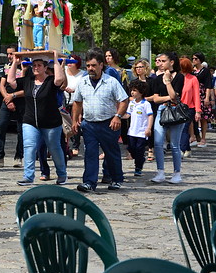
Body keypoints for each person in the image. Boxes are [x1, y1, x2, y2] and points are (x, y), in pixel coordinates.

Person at [7, 51, 68, 186]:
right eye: (34, 65)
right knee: (29, 147)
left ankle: (62, 174)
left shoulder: (50, 81)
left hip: (51, 122)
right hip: (30, 121)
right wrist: (15, 63)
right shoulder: (28, 81)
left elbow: (60, 80)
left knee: (54, 148)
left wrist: (56, 59)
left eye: (39, 65)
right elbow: (11, 81)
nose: (36, 68)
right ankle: (28, 176)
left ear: (46, 67)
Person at [71, 49, 128, 192]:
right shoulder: (83, 82)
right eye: (88, 66)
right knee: (90, 153)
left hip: (108, 123)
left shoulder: (111, 82)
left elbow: (124, 100)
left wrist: (118, 116)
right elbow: (77, 102)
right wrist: (74, 121)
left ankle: (116, 179)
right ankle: (89, 182)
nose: (90, 68)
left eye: (94, 65)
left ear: (101, 65)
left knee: (111, 153)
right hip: (89, 124)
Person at [150, 52, 185, 184]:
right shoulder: (157, 79)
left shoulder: (180, 77)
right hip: (161, 110)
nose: (161, 63)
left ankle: (177, 173)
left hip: (176, 111)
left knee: (175, 144)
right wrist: (167, 98)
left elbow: (174, 96)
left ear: (172, 62)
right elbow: (156, 99)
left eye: (164, 60)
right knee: (158, 142)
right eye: (159, 60)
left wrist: (168, 81)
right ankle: (160, 171)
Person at [0, 46, 25, 168]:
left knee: (21, 130)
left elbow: (26, 88)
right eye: (8, 54)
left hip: (21, 100)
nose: (9, 56)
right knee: (1, 125)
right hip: (7, 99)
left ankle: (19, 157)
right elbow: (2, 85)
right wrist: (8, 99)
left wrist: (13, 96)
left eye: (12, 54)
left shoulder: (26, 67)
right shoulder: (6, 67)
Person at [122, 80, 153, 177]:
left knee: (139, 149)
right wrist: (119, 116)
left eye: (135, 90)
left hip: (141, 132)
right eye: (132, 90)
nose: (132, 92)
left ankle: (138, 167)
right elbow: (128, 114)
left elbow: (150, 116)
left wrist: (149, 128)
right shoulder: (132, 103)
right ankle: (139, 159)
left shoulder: (146, 104)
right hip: (132, 131)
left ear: (141, 92)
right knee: (131, 148)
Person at [132, 59, 157, 162]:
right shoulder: (134, 82)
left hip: (149, 107)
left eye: (141, 67)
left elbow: (156, 95)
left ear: (145, 68)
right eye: (137, 67)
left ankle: (151, 149)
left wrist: (145, 99)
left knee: (149, 128)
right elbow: (129, 96)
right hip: (137, 108)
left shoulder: (151, 81)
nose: (139, 69)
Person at [179, 57, 201, 159]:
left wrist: (198, 111)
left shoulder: (193, 79)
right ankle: (187, 148)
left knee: (184, 128)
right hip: (178, 108)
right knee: (180, 129)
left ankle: (181, 149)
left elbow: (197, 95)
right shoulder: (177, 78)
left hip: (189, 108)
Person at [63, 54, 84, 156]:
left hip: (77, 103)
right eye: (68, 61)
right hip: (63, 102)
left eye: (73, 62)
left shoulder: (82, 75)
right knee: (63, 125)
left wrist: (74, 90)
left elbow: (84, 90)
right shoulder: (64, 71)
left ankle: (76, 146)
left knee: (75, 124)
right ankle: (65, 145)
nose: (70, 64)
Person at [192, 52, 213, 148]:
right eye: (193, 58)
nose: (194, 60)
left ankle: (203, 138)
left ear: (200, 60)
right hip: (193, 94)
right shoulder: (192, 71)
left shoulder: (205, 71)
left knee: (204, 117)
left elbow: (208, 85)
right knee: (192, 116)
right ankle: (194, 136)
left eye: (196, 58)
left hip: (202, 94)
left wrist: (207, 97)